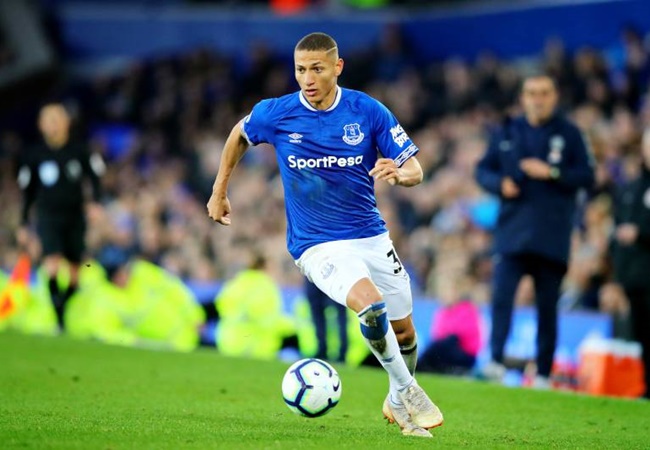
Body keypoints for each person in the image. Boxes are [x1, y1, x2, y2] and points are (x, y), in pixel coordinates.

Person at [207, 32, 442, 437]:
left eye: (317, 69)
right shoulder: (277, 113)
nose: (308, 78)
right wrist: (219, 189)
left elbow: (415, 169)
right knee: (371, 306)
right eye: (300, 70)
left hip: (370, 236)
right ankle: (409, 391)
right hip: (316, 244)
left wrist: (400, 175)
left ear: (338, 67)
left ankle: (395, 397)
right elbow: (239, 134)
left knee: (404, 332)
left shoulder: (366, 110)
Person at [475, 74, 595, 387]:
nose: (538, 99)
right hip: (512, 232)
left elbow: (587, 176)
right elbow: (482, 170)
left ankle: (542, 372)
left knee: (547, 307)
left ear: (555, 97)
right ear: (523, 98)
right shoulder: (507, 130)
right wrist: (499, 183)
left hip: (551, 235)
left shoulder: (570, 134)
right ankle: (495, 361)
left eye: (544, 93)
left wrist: (552, 172)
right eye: (531, 93)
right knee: (502, 298)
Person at [16, 103, 104, 330]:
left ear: (66, 123)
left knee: (75, 272)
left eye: (57, 120)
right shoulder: (33, 155)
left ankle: (62, 305)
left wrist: (95, 202)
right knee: (52, 264)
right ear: (41, 125)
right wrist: (24, 222)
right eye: (49, 121)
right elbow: (28, 192)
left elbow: (95, 176)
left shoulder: (80, 150)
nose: (53, 125)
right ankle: (59, 320)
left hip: (75, 216)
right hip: (48, 216)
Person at [610, 128, 650, 398]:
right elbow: (617, 232)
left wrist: (641, 233)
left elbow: (634, 231)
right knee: (643, 334)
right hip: (635, 277)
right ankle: (647, 386)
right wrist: (619, 276)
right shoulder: (632, 188)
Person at [305, 277, 348, 363]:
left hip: (334, 275)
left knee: (339, 313)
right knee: (318, 313)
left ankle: (341, 352)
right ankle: (323, 350)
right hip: (316, 275)